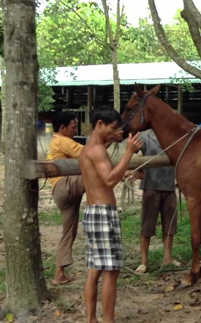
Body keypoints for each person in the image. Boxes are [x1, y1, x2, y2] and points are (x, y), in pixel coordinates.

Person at [79, 106, 142, 323]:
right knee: (111, 271)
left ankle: (91, 319)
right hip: (104, 215)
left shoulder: (89, 148)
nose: (116, 132)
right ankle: (108, 320)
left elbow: (103, 169)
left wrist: (114, 139)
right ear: (99, 124)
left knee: (95, 269)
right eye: (112, 128)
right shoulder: (97, 151)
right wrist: (128, 152)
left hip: (92, 213)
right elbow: (108, 179)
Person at [131, 129, 179, 274]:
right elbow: (133, 149)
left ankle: (168, 258)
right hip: (151, 188)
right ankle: (144, 261)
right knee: (147, 226)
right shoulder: (145, 138)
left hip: (169, 187)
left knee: (170, 225)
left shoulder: (174, 138)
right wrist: (135, 168)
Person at [47, 111, 85, 285]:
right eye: (73, 127)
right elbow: (89, 154)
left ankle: (59, 274)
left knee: (68, 232)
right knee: (96, 174)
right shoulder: (63, 141)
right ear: (62, 128)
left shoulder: (59, 141)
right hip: (65, 185)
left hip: (60, 190)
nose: (75, 130)